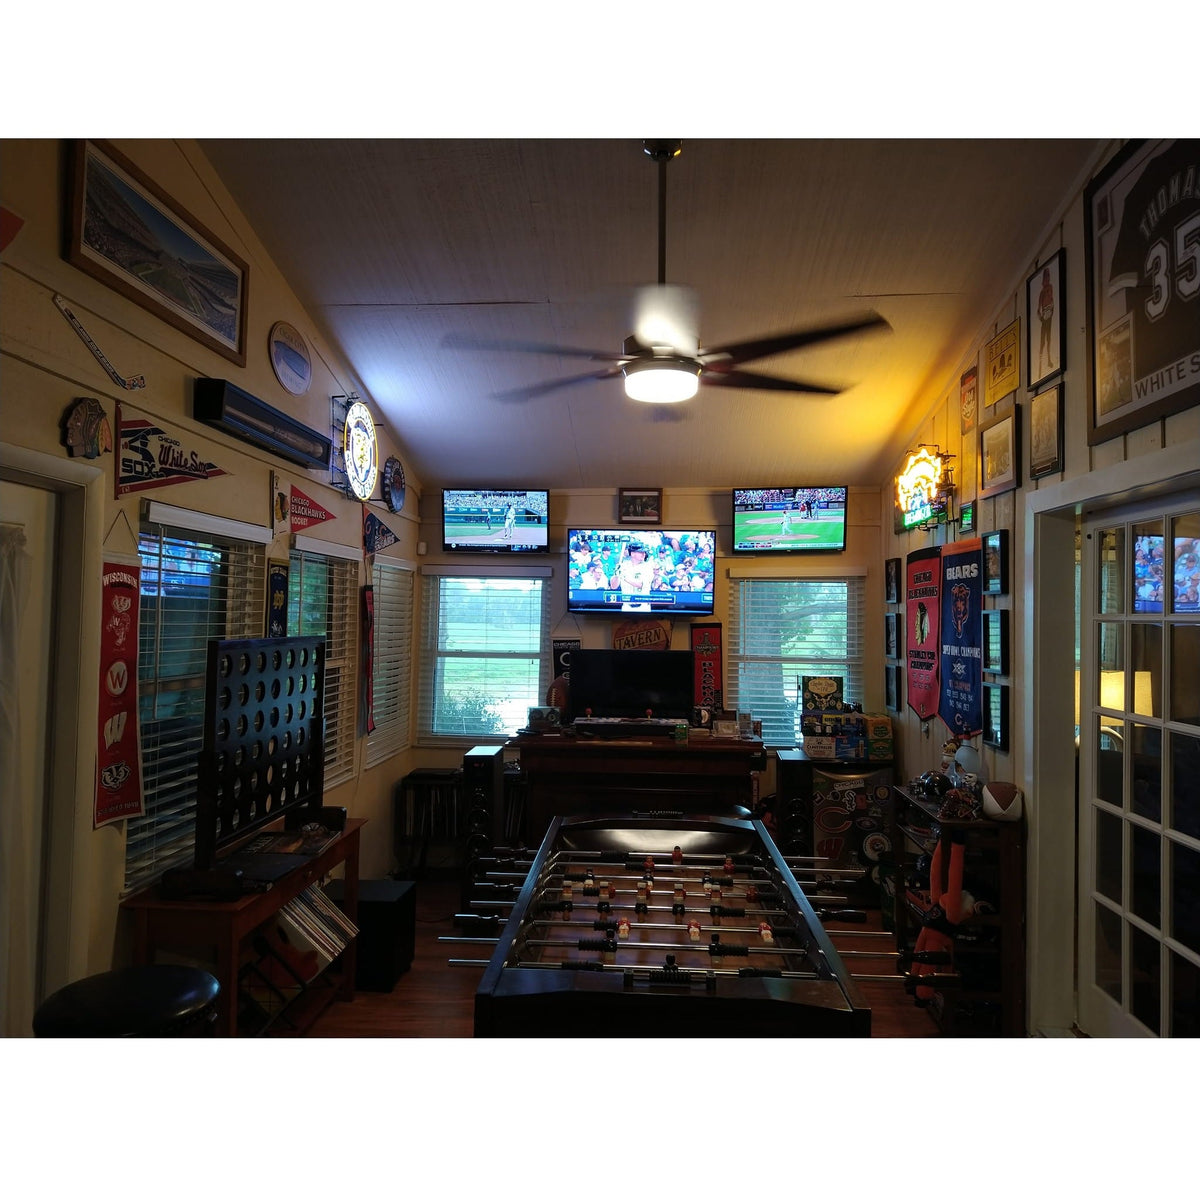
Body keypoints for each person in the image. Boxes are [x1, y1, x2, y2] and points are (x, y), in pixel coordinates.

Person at [611, 542, 655, 611]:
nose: (644, 554)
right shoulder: (623, 566)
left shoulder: (648, 567)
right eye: (641, 552)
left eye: (644, 552)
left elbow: (640, 584)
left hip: (643, 607)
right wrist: (616, 575)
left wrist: (623, 576)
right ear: (632, 553)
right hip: (626, 607)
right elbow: (613, 587)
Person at [1037, 266, 1055, 377]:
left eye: (1048, 277)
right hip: (1045, 316)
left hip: (1049, 315)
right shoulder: (1042, 293)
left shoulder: (1050, 289)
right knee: (1043, 341)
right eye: (1046, 277)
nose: (1047, 280)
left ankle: (1048, 360)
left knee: (1049, 339)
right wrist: (1042, 318)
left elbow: (1052, 301)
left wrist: (1051, 311)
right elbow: (1038, 310)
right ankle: (1039, 364)